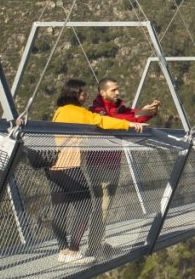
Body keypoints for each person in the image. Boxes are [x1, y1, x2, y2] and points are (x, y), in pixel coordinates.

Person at [46, 79, 144, 264]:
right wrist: (128, 125)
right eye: (83, 93)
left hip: (53, 167)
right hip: (69, 165)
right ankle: (74, 251)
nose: (85, 96)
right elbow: (100, 121)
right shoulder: (76, 112)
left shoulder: (59, 111)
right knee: (85, 207)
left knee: (59, 210)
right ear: (75, 94)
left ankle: (63, 251)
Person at [85, 78, 159, 254]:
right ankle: (95, 247)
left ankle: (98, 244)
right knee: (101, 207)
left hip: (113, 162)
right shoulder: (97, 110)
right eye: (113, 90)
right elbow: (112, 121)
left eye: (118, 89)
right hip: (98, 164)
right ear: (102, 93)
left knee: (105, 206)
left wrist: (148, 111)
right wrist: (137, 115)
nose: (117, 93)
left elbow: (132, 117)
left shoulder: (119, 109)